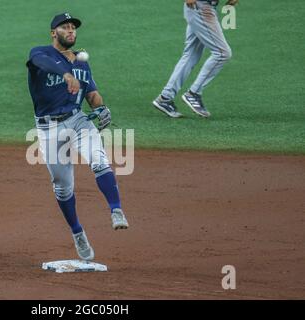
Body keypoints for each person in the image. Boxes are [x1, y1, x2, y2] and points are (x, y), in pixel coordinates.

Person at [26, 13, 129, 261]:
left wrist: (101, 109)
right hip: (48, 128)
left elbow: (92, 94)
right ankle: (77, 233)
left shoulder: (82, 64)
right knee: (62, 187)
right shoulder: (40, 53)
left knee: (99, 159)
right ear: (53, 32)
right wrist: (66, 74)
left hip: (77, 120)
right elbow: (43, 63)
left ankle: (116, 210)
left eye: (73, 27)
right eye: (65, 27)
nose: (71, 30)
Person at [153, 0, 239, 118]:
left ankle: (165, 98)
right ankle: (194, 93)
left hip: (201, 8)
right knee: (222, 53)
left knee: (191, 55)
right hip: (200, 7)